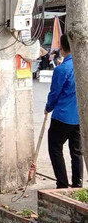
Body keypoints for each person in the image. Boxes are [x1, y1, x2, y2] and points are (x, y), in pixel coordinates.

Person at [45, 34, 83, 189]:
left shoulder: (62, 69)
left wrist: (48, 107)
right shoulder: (82, 67)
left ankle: (62, 184)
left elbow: (54, 93)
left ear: (61, 48)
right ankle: (77, 184)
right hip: (79, 117)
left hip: (63, 117)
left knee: (55, 147)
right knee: (77, 151)